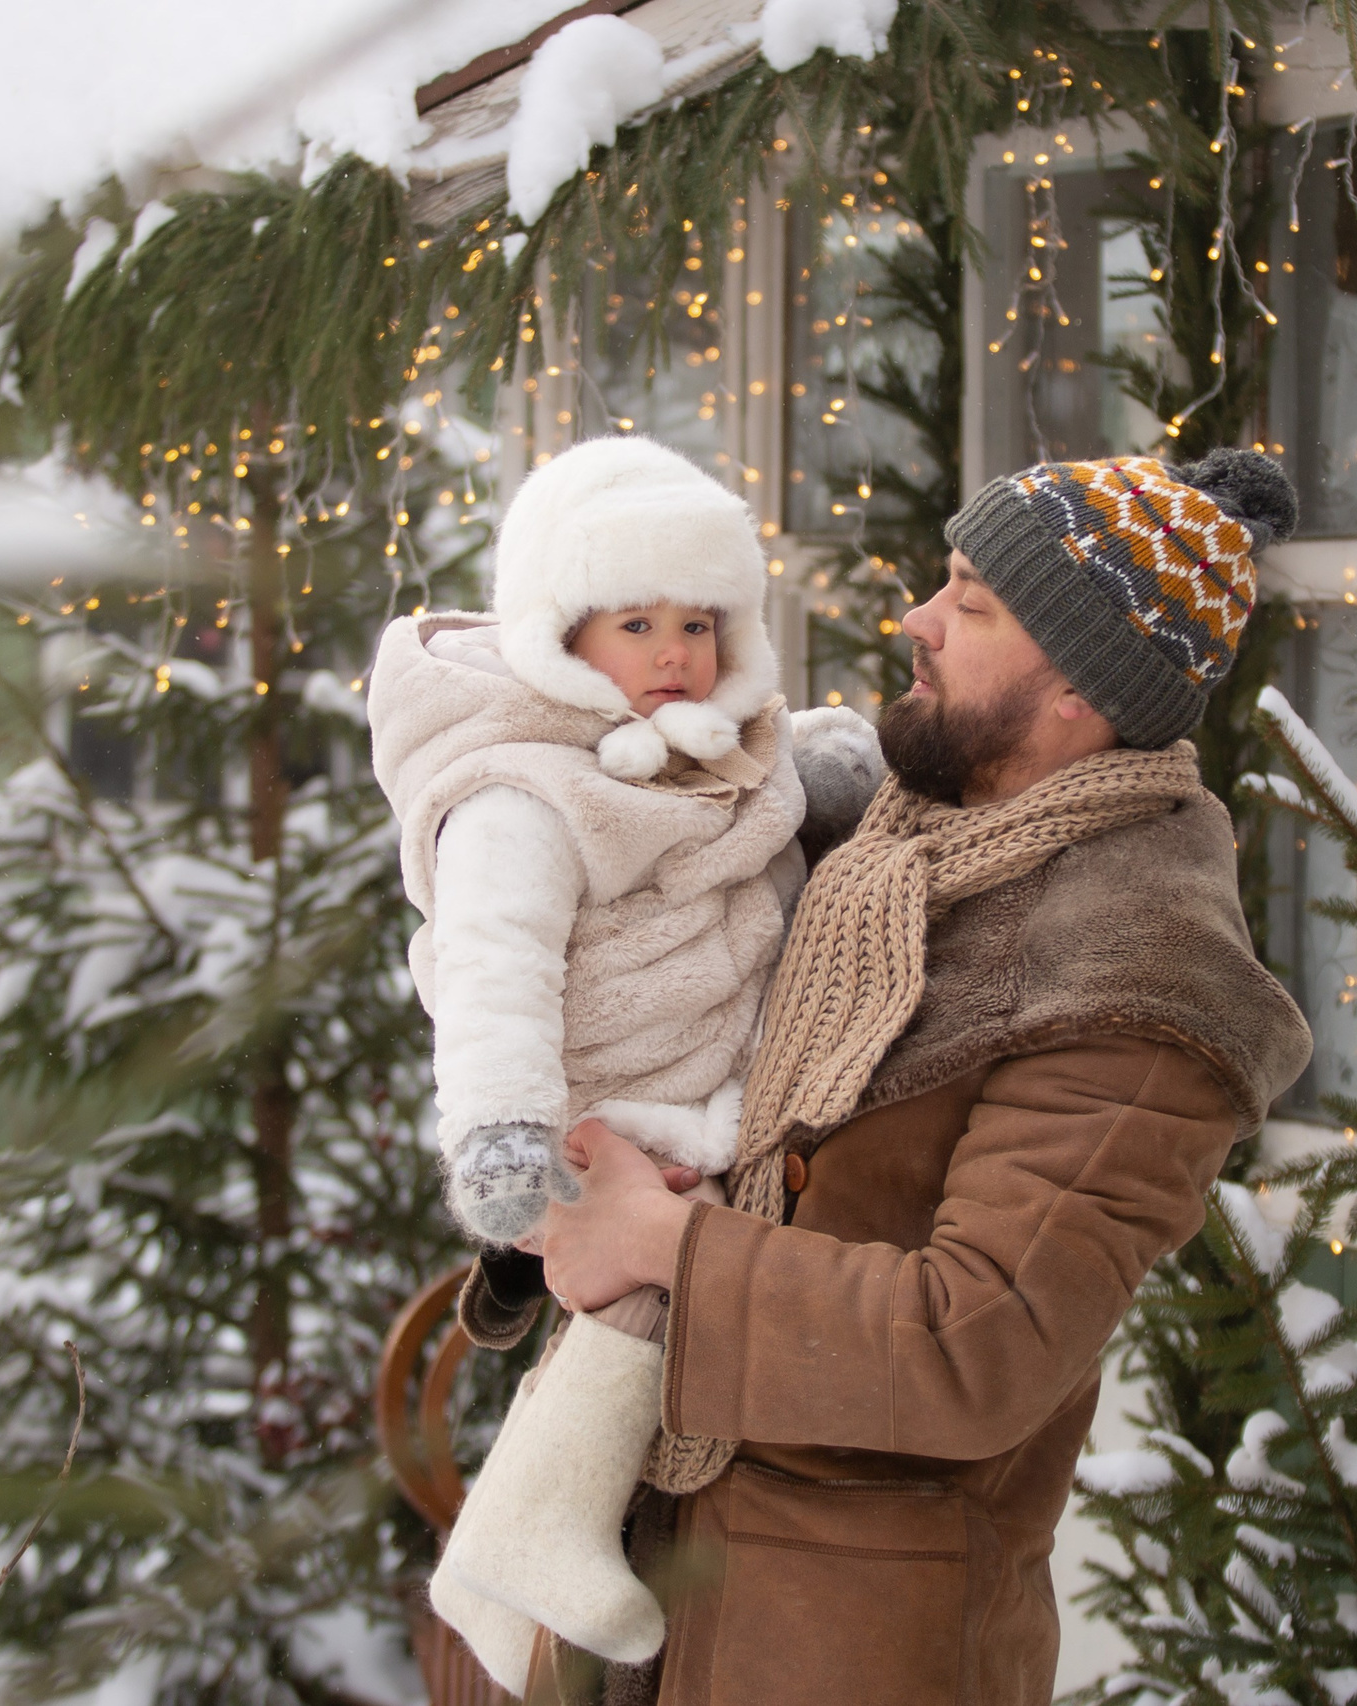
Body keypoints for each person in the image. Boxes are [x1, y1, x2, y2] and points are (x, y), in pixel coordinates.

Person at [516, 448, 1315, 1705]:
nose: (917, 620)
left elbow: (974, 1341)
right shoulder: (882, 841)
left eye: (972, 603)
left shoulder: (1139, 977)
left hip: (842, 1641)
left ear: (1076, 691)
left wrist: (664, 1243)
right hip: (656, 1578)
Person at [366, 435, 880, 1696]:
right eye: (637, 621)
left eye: (700, 621)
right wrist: (499, 1130)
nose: (674, 653)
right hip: (601, 1106)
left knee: (681, 1257)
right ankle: (532, 1523)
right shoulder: (518, 792)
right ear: (557, 635)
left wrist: (817, 769)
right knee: (657, 1275)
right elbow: (492, 967)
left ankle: (524, 1424)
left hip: (707, 1075)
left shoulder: (704, 744)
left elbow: (756, 799)